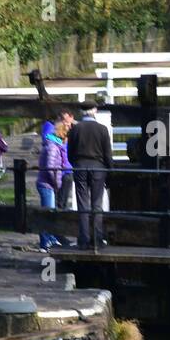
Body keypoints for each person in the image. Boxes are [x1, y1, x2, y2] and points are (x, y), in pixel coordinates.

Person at [66, 104, 113, 248]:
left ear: (81, 112)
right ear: (95, 111)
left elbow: (70, 153)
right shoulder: (102, 129)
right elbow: (108, 155)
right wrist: (110, 171)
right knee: (97, 204)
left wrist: (76, 164)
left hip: (80, 167)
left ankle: (84, 239)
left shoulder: (75, 129)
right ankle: (97, 239)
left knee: (82, 204)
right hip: (98, 168)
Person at [36, 118, 70, 251]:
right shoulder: (53, 147)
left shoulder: (54, 145)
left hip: (48, 184)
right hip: (47, 184)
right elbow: (50, 167)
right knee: (47, 214)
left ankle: (50, 239)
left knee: (50, 213)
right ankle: (45, 243)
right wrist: (56, 182)